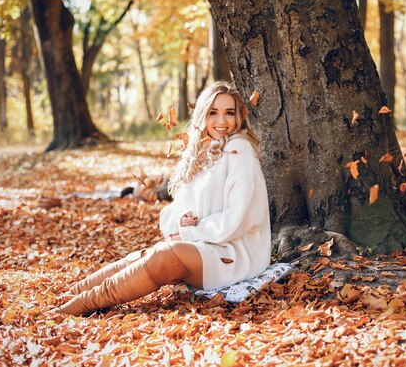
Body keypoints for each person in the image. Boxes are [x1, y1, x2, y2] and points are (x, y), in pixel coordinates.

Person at [59, 81, 271, 316]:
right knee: (143, 256)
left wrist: (190, 232)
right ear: (203, 115)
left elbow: (238, 218)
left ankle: (79, 306)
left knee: (163, 256)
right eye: (213, 112)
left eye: (229, 113)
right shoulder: (200, 153)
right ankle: (70, 294)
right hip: (205, 244)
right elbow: (175, 208)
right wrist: (181, 219)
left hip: (235, 253)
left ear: (238, 117)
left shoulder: (239, 150)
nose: (221, 121)